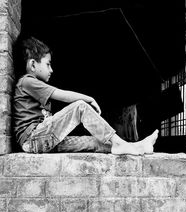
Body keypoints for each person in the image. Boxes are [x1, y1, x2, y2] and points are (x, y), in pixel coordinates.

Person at [13, 36, 159, 155]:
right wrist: (89, 99)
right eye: (48, 64)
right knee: (80, 106)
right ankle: (122, 144)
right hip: (33, 139)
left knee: (94, 142)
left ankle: (135, 147)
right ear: (33, 65)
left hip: (43, 140)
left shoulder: (33, 85)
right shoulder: (26, 82)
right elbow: (61, 94)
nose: (51, 70)